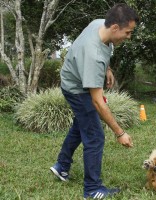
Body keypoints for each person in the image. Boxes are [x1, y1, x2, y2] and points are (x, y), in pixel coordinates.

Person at [50, 3, 139, 199]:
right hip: (76, 89)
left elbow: (103, 51)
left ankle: (61, 166)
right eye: (128, 32)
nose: (129, 37)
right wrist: (120, 132)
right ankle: (92, 189)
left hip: (72, 76)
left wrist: (106, 69)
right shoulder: (93, 56)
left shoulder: (99, 24)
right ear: (115, 27)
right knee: (95, 136)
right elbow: (98, 102)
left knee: (82, 125)